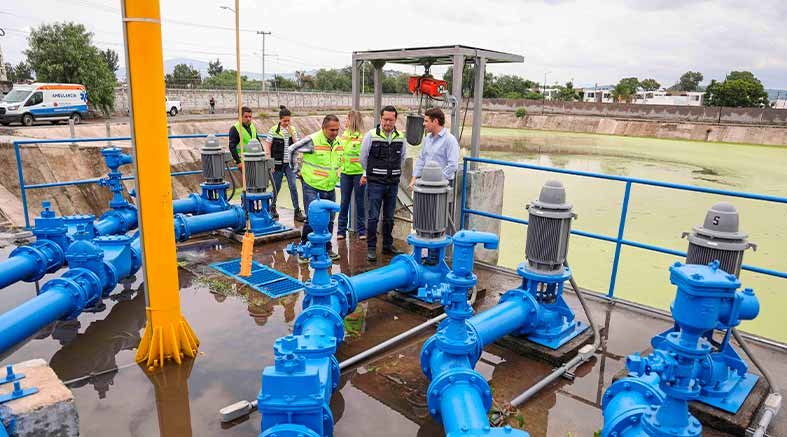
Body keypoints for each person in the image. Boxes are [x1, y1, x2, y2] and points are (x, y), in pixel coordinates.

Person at [287, 114, 343, 263]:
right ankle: (304, 247)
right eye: (332, 130)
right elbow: (292, 149)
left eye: (337, 130)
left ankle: (327, 247)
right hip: (312, 186)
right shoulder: (313, 140)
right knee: (312, 218)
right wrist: (296, 171)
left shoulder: (337, 142)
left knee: (330, 219)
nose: (335, 133)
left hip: (329, 186)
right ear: (323, 128)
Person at [360, 105, 407, 262]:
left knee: (389, 217)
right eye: (385, 119)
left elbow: (402, 158)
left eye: (391, 120)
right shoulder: (371, 135)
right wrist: (370, 173)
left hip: (392, 183)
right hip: (375, 183)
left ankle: (387, 245)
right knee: (373, 217)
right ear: (380, 119)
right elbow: (363, 157)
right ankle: (371, 248)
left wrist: (393, 172)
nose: (388, 122)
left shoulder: (400, 137)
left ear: (395, 120)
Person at [262, 105, 305, 222]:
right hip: (277, 164)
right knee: (277, 187)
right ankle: (272, 207)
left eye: (288, 120)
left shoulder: (293, 130)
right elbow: (268, 146)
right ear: (280, 119)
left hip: (290, 164)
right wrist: (270, 163)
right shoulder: (273, 130)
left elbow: (297, 145)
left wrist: (292, 134)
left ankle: (297, 211)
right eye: (284, 120)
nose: (287, 123)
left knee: (293, 186)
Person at [409, 107, 460, 189]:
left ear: (435, 121)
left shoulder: (450, 140)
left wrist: (437, 180)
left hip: (444, 184)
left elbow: (453, 165)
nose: (423, 124)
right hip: (427, 183)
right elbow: (421, 160)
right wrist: (414, 179)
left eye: (426, 121)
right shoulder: (427, 139)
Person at [336, 110, 366, 241]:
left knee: (360, 203)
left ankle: (362, 231)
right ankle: (341, 230)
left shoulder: (362, 137)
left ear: (352, 120)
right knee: (344, 202)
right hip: (345, 174)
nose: (345, 122)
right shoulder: (343, 136)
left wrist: (365, 174)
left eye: (347, 119)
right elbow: (339, 154)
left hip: (358, 174)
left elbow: (366, 157)